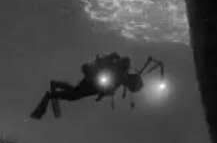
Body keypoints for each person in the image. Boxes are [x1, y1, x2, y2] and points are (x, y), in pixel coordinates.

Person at [29, 52, 164, 119]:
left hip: (94, 85)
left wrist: (101, 95)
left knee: (75, 93)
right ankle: (49, 96)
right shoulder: (122, 71)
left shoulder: (121, 80)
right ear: (131, 83)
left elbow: (109, 89)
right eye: (131, 87)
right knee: (74, 95)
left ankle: (56, 85)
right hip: (93, 82)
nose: (129, 87)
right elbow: (117, 62)